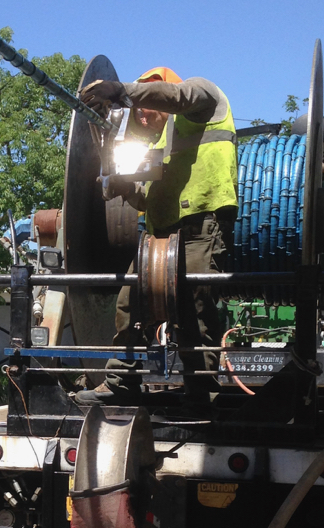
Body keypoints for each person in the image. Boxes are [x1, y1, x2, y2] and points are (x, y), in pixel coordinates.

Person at [79, 68, 238, 401]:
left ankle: (201, 392)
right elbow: (147, 200)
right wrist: (122, 186)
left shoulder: (203, 97)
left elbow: (176, 97)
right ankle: (121, 383)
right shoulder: (156, 147)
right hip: (158, 238)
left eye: (145, 103)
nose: (140, 113)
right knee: (129, 305)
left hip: (200, 229)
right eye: (136, 108)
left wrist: (121, 91)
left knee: (193, 309)